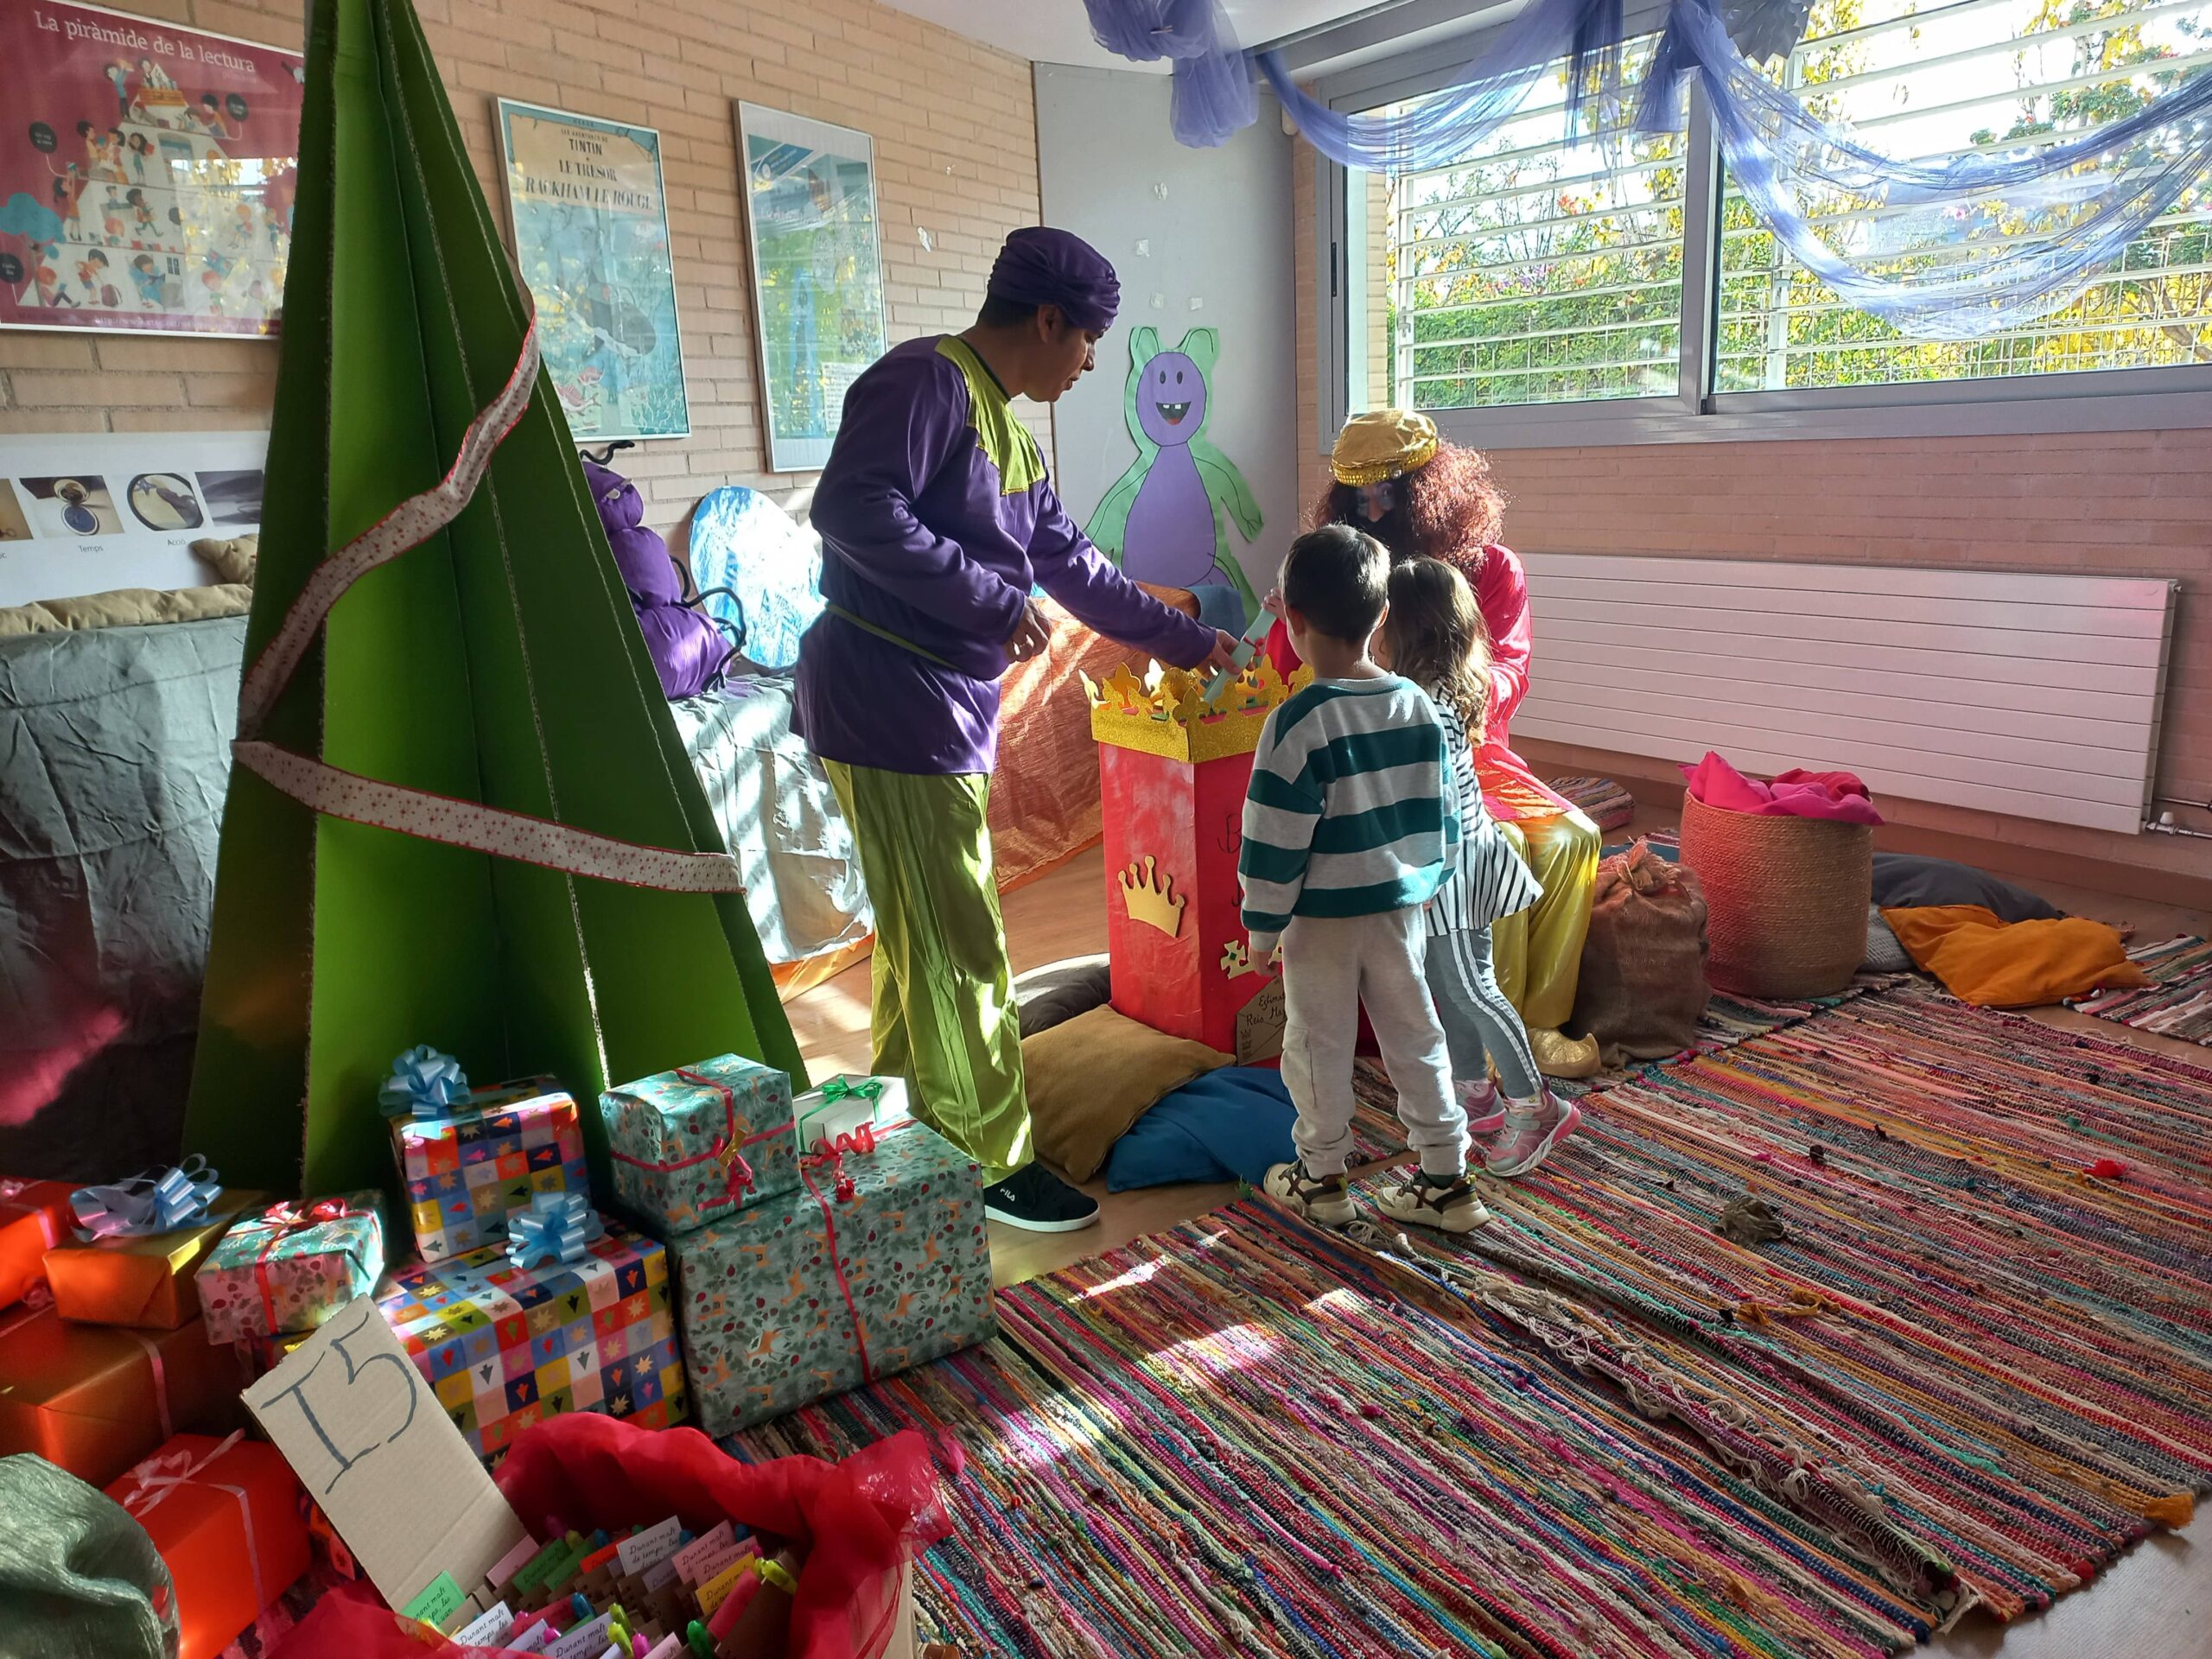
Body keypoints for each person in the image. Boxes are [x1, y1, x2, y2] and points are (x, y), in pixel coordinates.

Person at [794, 226, 1238, 1234]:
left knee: (923, 933)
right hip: (888, 700)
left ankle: (911, 1127)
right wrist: (989, 601)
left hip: (934, 706)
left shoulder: (1007, 429)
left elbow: (1075, 567)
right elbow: (852, 508)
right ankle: (993, 1161)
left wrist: (1187, 642)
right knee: (962, 939)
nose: (1088, 366)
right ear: (1046, 321)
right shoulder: (923, 383)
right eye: (1087, 342)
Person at [1265, 409, 1602, 1080]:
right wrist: (1295, 617)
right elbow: (1288, 668)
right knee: (1497, 848)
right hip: (1379, 765)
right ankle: (1477, 1038)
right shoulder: (1342, 575)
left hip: (1475, 755)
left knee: (1576, 838)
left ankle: (1538, 1022)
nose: (1373, 511)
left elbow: (1510, 669)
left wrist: (1448, 694)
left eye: (1389, 492)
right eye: (1357, 498)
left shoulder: (1491, 568)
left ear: (1433, 490)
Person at [1240, 525, 1486, 1235]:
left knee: (1317, 1043)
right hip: (1401, 911)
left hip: (1321, 922)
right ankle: (1446, 1180)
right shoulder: (1416, 706)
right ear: (1381, 616)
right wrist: (1429, 880)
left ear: (1292, 620)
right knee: (1418, 1036)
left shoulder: (1295, 723)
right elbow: (1444, 812)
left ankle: (1321, 1179)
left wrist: (1262, 929)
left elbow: (1273, 841)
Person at [1382, 559, 1580, 1176]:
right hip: (1441, 868)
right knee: (1446, 987)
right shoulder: (1423, 695)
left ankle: (1536, 1105)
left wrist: (1413, 873)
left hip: (1453, 871)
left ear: (1405, 629)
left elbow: (1431, 807)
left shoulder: (1428, 708)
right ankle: (1476, 1093)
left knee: (1473, 989)